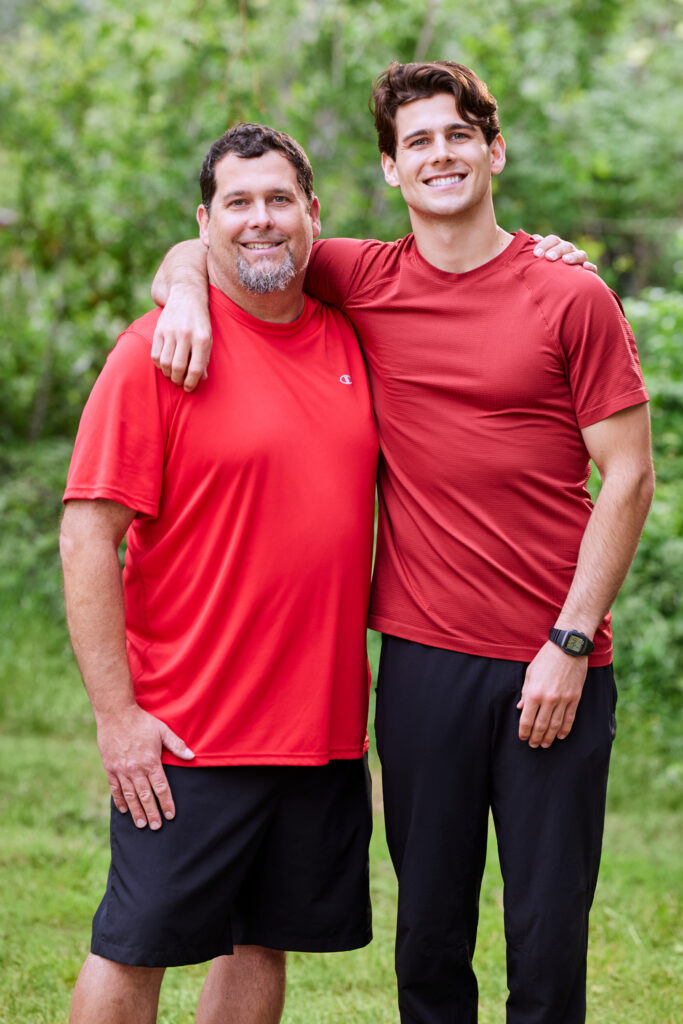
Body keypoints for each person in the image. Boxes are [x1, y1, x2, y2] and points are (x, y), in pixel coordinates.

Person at [151, 61, 655, 1024]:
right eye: (416, 141)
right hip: (422, 663)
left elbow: (628, 476)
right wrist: (182, 291)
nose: (440, 154)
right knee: (428, 939)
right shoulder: (360, 276)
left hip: (555, 658)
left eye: (458, 134)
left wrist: (572, 641)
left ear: (492, 150)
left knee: (547, 942)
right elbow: (228, 237)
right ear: (389, 169)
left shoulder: (569, 295)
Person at [59, 123, 379, 1024]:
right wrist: (118, 720)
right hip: (189, 734)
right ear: (205, 222)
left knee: (260, 941)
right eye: (237, 202)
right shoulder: (158, 352)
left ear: (313, 214)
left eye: (279, 199)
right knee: (135, 947)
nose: (261, 219)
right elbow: (86, 538)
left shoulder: (353, 339)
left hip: (318, 733)